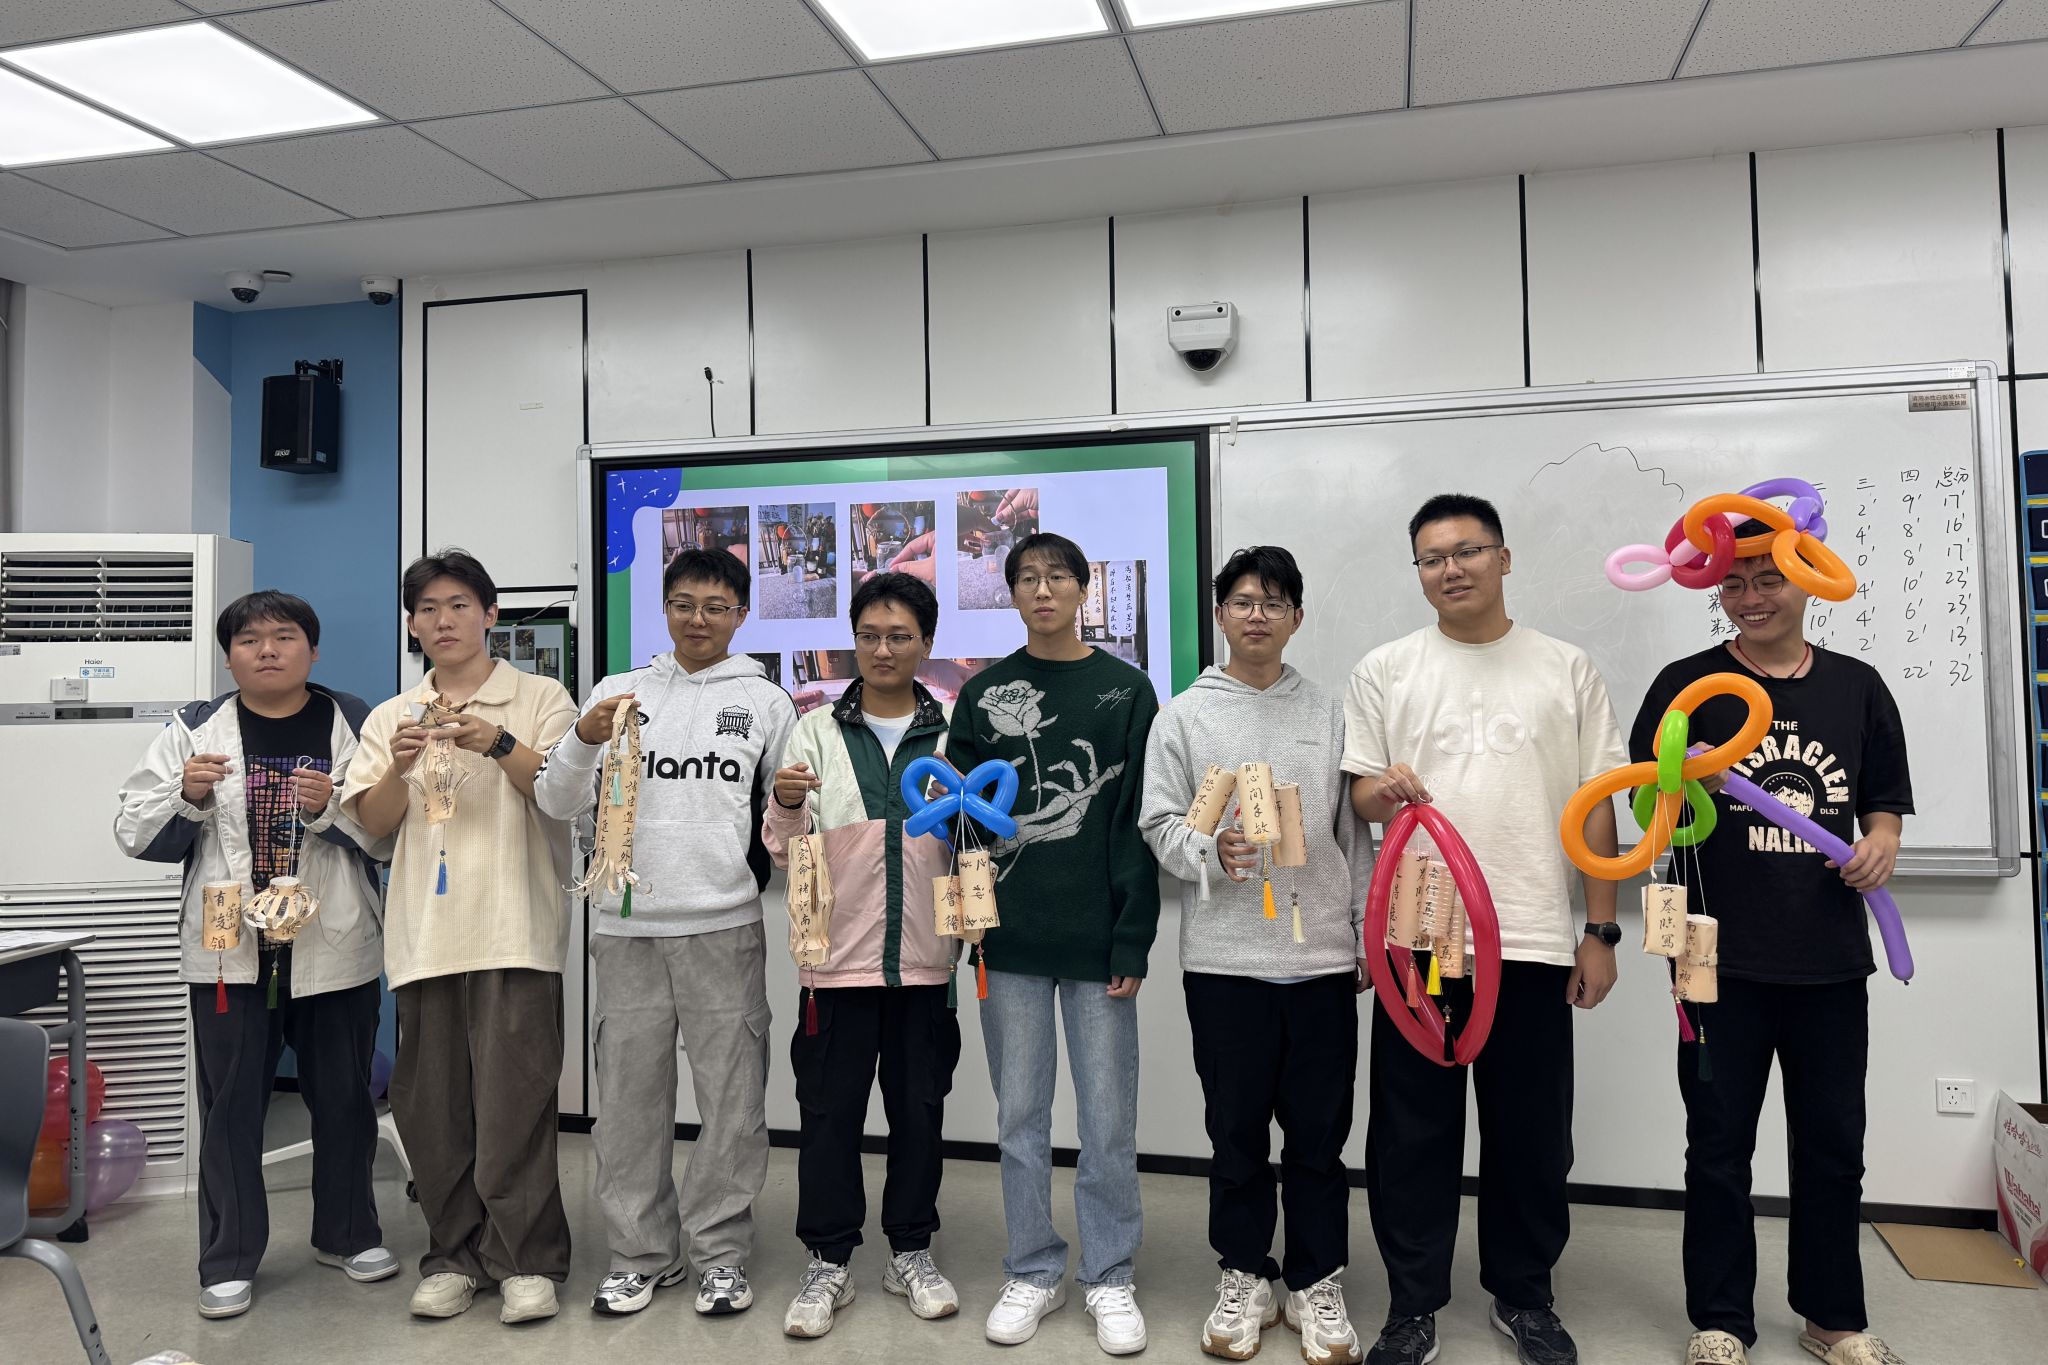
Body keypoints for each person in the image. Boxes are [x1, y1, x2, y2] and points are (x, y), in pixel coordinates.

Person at [1343, 494, 1626, 1365]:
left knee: (1532, 1134)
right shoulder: (1385, 668)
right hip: (1420, 940)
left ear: (1504, 558)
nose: (1450, 568)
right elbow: (1360, 799)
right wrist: (1383, 790)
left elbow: (1599, 804)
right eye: (1432, 558)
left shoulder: (1566, 667)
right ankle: (1412, 1305)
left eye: (1467, 551)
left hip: (1532, 935)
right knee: (1410, 1134)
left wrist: (1601, 929)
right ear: (1419, 572)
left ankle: (1524, 1295)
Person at [1629, 525, 1914, 1365]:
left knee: (1833, 1144)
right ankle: (1721, 1319)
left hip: (1829, 956)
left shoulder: (1857, 687)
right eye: (1734, 584)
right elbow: (1646, 803)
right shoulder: (1685, 686)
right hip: (1714, 959)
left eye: (1767, 580)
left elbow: (1884, 801)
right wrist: (1681, 776)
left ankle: (1833, 1317)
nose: (1751, 599)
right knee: (1718, 1145)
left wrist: (1882, 841)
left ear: (1804, 579)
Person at [115, 591, 394, 1320]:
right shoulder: (193, 727)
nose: (267, 650)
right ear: (228, 655)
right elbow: (133, 831)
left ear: (313, 650)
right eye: (249, 640)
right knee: (232, 1106)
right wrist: (186, 796)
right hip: (229, 953)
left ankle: (349, 1233)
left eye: (284, 636)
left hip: (333, 942)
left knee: (344, 1099)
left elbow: (391, 833)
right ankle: (229, 1257)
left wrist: (326, 809)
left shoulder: (352, 720)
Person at [535, 546, 796, 1320]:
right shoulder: (618, 692)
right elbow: (555, 800)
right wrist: (582, 738)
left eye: (716, 606)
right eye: (683, 603)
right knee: (627, 1104)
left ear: (741, 614)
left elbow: (785, 823)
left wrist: (793, 807)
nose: (698, 619)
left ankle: (720, 1253)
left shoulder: (767, 702)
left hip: (725, 925)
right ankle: (640, 1254)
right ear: (665, 607)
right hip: (627, 929)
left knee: (733, 1103)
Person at [1139, 546, 1372, 1364]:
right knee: (1235, 1134)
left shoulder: (1331, 711)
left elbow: (1354, 833)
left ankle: (1316, 1278)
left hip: (1320, 963)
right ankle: (1245, 1273)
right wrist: (1209, 850)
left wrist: (1362, 931)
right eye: (1242, 601)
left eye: (1275, 602)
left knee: (1319, 1136)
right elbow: (1159, 822)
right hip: (1224, 963)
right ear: (1220, 614)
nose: (1258, 615)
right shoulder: (1183, 716)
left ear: (1297, 617)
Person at [339, 550, 579, 1326]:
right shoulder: (392, 715)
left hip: (515, 929)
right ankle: (451, 1256)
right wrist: (399, 767)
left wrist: (497, 742)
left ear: (490, 614)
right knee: (432, 1110)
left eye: (459, 605)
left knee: (517, 1103)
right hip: (426, 935)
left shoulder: (539, 696)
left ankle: (525, 1260)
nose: (443, 620)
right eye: (428, 609)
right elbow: (374, 827)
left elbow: (564, 794)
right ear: (412, 624)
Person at [946, 531, 1160, 1356]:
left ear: (1082, 589)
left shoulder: (1125, 690)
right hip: (1010, 945)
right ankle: (1033, 1268)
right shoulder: (983, 694)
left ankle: (1109, 1272)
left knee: (1107, 1121)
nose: (1043, 589)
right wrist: (971, 926)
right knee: (1020, 1119)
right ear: (1011, 593)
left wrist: (1132, 938)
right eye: (1028, 578)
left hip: (1098, 944)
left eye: (1058, 576)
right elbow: (962, 822)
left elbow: (1134, 823)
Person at [761, 572, 962, 1337]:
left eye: (899, 635)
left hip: (925, 963)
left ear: (926, 642)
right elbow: (785, 851)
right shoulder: (813, 731)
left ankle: (910, 1249)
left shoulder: (951, 733)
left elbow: (974, 839)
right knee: (829, 1116)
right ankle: (828, 1260)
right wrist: (785, 802)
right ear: (854, 639)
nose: (883, 648)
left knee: (920, 1113)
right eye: (870, 635)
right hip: (833, 966)